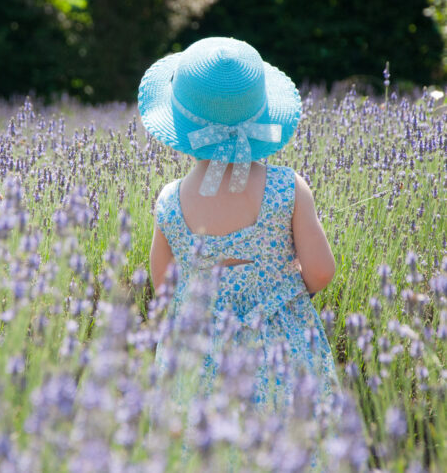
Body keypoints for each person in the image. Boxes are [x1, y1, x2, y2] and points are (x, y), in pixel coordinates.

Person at [138, 37, 341, 461]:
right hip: (281, 345)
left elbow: (164, 285)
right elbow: (321, 272)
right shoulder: (287, 187)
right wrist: (277, 291)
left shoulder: (170, 201)